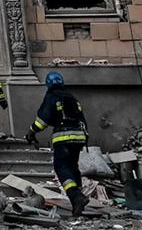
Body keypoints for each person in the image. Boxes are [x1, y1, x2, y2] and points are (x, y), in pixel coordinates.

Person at [25, 71, 90, 217]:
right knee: (73, 166)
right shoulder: (71, 97)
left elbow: (43, 119)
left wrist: (31, 131)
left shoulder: (52, 97)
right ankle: (78, 200)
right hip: (79, 137)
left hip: (63, 137)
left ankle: (76, 196)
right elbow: (82, 119)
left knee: (61, 166)